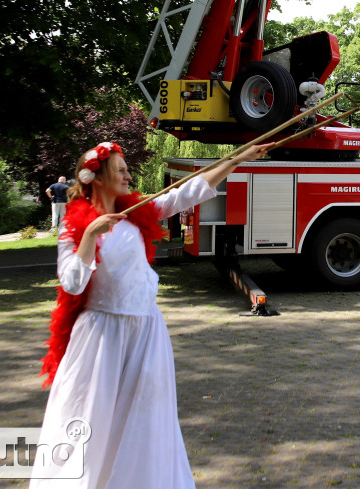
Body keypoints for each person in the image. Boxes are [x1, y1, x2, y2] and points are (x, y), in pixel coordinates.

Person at [31, 139, 270, 487]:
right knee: (91, 416)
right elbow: (71, 284)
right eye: (121, 170)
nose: (129, 176)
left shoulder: (138, 211)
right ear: (96, 178)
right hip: (101, 338)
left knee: (145, 416)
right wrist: (90, 237)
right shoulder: (75, 227)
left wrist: (238, 158)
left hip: (145, 332)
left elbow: (187, 193)